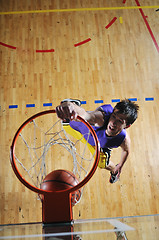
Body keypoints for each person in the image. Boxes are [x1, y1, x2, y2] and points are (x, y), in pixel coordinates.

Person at [56, 98, 139, 183]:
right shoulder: (101, 118)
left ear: (127, 126)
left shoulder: (123, 139)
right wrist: (72, 106)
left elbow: (126, 150)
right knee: (68, 123)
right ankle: (74, 104)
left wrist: (120, 165)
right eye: (113, 116)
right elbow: (87, 115)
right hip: (81, 130)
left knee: (102, 164)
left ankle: (114, 171)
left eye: (120, 121)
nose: (113, 122)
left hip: (98, 145)